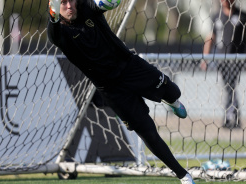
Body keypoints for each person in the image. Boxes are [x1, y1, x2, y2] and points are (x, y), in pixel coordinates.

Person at [47, 0, 195, 183]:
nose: (69, 6)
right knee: (147, 131)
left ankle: (170, 101)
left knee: (174, 92)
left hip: (131, 67)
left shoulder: (85, 7)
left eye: (71, 0)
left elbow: (102, 4)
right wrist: (53, 14)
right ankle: (184, 176)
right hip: (111, 89)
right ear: (54, 6)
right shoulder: (59, 33)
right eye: (63, 2)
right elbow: (53, 29)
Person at [201, 0, 246, 129]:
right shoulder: (216, 16)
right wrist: (205, 58)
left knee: (231, 86)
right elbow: (210, 38)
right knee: (229, 87)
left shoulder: (243, 16)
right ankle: (233, 117)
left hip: (237, 59)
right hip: (221, 60)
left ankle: (231, 118)